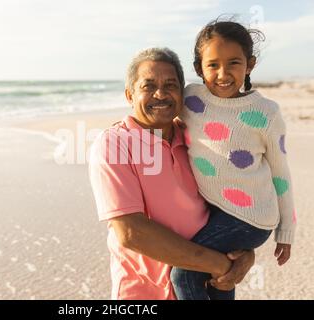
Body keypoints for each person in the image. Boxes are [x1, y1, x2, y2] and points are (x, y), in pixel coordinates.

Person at [88, 47, 255, 300]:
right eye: (148, 86)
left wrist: (245, 254)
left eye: (171, 84)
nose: (161, 94)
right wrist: (220, 264)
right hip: (144, 294)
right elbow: (131, 233)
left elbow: (229, 203)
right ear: (129, 94)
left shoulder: (197, 137)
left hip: (207, 286)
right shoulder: (114, 144)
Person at [170, 19, 297, 300]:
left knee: (184, 271)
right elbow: (164, 119)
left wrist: (286, 229)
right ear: (198, 68)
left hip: (251, 218)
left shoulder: (265, 113)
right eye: (213, 64)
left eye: (234, 63)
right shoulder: (191, 99)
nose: (223, 73)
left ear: (249, 64)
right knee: (219, 276)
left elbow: (281, 173)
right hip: (215, 212)